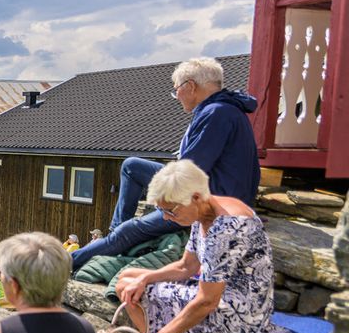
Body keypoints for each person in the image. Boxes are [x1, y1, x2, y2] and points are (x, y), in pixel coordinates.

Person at [115, 160, 298, 333]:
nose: (168, 218)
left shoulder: (227, 227)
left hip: (236, 312)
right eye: (164, 212)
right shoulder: (204, 212)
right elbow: (186, 266)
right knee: (129, 279)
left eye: (172, 211)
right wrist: (145, 277)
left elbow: (207, 301)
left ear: (197, 196)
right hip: (218, 292)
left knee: (133, 290)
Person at [73, 57, 260, 271]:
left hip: (210, 201)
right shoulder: (223, 109)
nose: (176, 96)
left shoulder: (216, 114)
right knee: (132, 166)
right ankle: (115, 232)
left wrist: (166, 202)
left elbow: (188, 170)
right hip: (210, 187)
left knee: (130, 230)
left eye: (176, 90)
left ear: (190, 86)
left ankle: (69, 261)